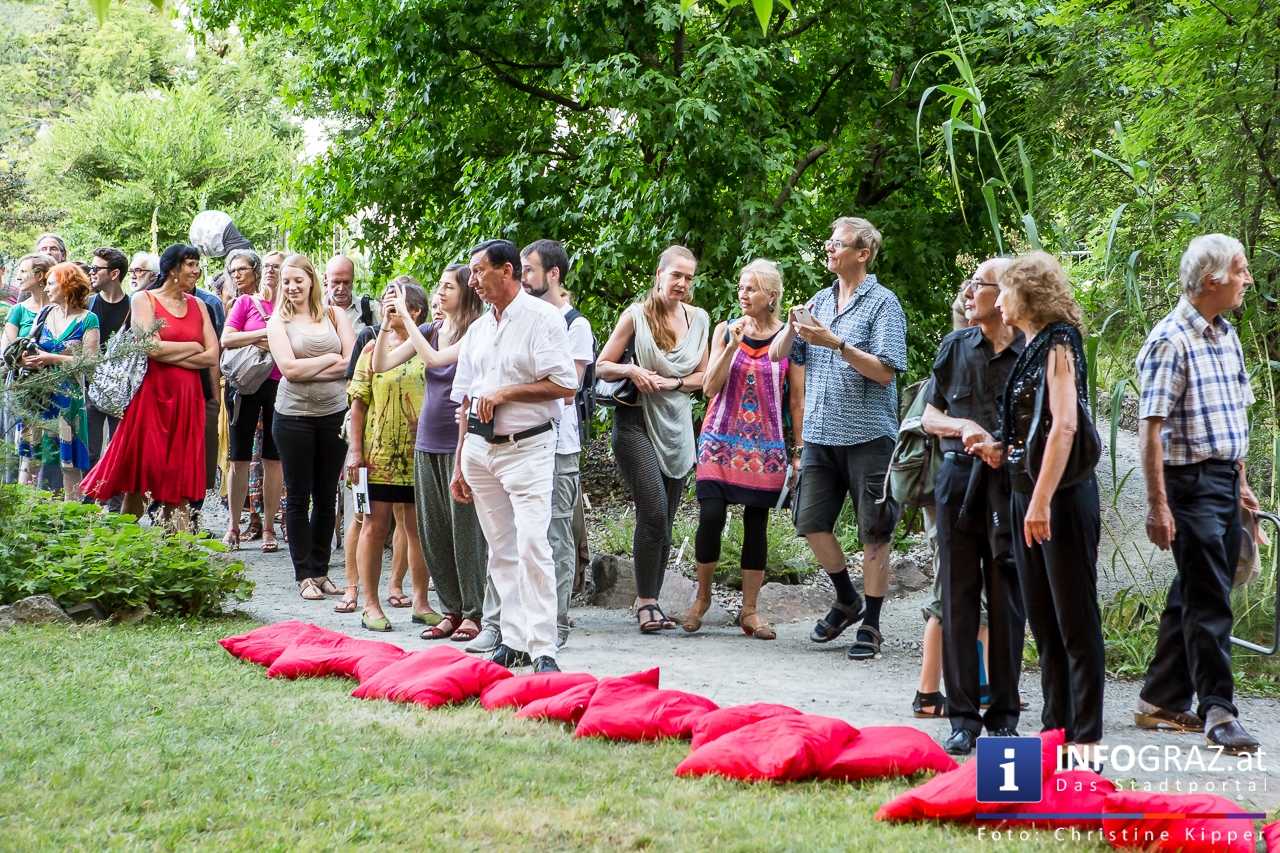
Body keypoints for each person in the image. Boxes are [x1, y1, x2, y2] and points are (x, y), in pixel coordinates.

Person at [1135, 234, 1261, 754]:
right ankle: (1218, 709)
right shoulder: (1171, 340)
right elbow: (1150, 430)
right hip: (1188, 485)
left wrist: (1244, 482)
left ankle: (1160, 699)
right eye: (1241, 270)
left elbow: (1235, 414)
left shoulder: (1225, 334)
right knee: (1209, 597)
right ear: (1213, 280)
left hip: (1223, 480)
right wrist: (1158, 505)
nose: (1247, 279)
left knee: (1196, 588)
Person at [976, 251, 1104, 757]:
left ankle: (1086, 738)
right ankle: (1056, 733)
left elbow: (1066, 425)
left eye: (1003, 289)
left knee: (1074, 620)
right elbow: (1035, 427)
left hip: (1060, 499)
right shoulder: (1031, 347)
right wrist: (999, 449)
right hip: (1027, 493)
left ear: (1026, 293)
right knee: (1044, 622)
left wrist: (1043, 500)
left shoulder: (1059, 341)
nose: (996, 299)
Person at [768, 216, 908, 661]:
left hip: (869, 436)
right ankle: (847, 598)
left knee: (874, 532)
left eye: (838, 243)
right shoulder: (820, 300)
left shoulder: (883, 304)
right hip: (820, 435)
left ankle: (872, 624)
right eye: (829, 242)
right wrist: (793, 326)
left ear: (862, 253)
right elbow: (778, 354)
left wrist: (836, 344)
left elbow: (886, 371)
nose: (829, 249)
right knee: (808, 522)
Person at [450, 239, 577, 671]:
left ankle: (544, 648)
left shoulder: (543, 319)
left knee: (532, 545)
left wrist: (505, 393)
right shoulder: (478, 330)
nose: (473, 280)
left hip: (529, 447)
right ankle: (514, 637)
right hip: (480, 450)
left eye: (479, 270)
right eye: (470, 272)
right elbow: (463, 400)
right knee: (500, 548)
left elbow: (565, 384)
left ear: (508, 271)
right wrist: (459, 461)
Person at [921, 257, 1026, 755]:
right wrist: (962, 427)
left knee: (1007, 598)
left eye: (978, 286)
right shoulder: (955, 346)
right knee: (958, 600)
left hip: (1011, 486)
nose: (968, 293)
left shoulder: (1033, 350)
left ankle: (1005, 713)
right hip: (957, 482)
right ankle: (963, 717)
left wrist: (1005, 447)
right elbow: (928, 414)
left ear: (1004, 295)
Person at [683, 259, 802, 640]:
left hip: (765, 445)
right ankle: (701, 599)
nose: (743, 293)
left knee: (756, 523)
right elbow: (708, 388)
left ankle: (750, 611)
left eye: (751, 287)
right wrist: (732, 345)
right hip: (719, 441)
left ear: (771, 296)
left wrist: (798, 450)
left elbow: (796, 400)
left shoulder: (788, 337)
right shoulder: (725, 330)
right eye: (741, 286)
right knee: (712, 515)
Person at [596, 245, 710, 633]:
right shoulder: (636, 315)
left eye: (689, 277)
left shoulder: (700, 320)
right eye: (676, 275)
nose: (682, 283)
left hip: (676, 428)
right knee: (655, 511)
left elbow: (704, 379)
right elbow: (602, 366)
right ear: (659, 275)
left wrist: (674, 382)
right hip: (635, 423)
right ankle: (645, 603)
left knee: (667, 519)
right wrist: (632, 370)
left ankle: (653, 599)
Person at [374, 264, 488, 644]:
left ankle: (475, 612)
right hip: (426, 439)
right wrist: (388, 325)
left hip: (463, 441)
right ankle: (452, 610)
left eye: (446, 287)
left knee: (466, 531)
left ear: (465, 293)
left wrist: (406, 316)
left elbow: (436, 361)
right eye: (438, 286)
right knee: (433, 530)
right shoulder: (430, 331)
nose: (438, 293)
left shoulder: (477, 332)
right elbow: (382, 364)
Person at [81, 244, 220, 529]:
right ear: (172, 269)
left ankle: (176, 551)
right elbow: (149, 347)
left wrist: (182, 351)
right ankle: (128, 544)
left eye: (197, 265)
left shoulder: (200, 305)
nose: (196, 271)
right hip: (151, 398)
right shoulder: (144, 300)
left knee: (178, 479)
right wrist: (193, 346)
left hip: (188, 399)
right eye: (190, 264)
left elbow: (212, 355)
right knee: (139, 477)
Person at [514, 239, 593, 649]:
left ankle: (557, 622)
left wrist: (511, 388)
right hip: (523, 440)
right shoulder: (523, 318)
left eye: (529, 270)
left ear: (553, 274)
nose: (523, 277)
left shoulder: (575, 325)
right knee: (522, 532)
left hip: (560, 445)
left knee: (557, 534)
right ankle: (520, 619)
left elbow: (567, 389)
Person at [346, 279, 437, 631]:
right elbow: (357, 402)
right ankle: (371, 605)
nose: (388, 307)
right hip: (379, 453)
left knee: (417, 529)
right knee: (374, 524)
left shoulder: (427, 346)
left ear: (415, 311)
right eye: (386, 301)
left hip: (418, 453)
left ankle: (421, 601)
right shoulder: (371, 349)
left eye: (396, 303)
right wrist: (356, 450)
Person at [268, 253, 355, 601]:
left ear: (311, 281)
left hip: (333, 413)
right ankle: (303, 574)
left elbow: (352, 363)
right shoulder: (278, 322)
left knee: (325, 496)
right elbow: (289, 370)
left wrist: (318, 365)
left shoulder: (335, 314)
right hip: (293, 417)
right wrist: (330, 360)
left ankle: (321, 571)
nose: (291, 287)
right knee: (298, 495)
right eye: (286, 282)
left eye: (297, 281)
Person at [15, 263, 100, 500]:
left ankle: (70, 515)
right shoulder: (44, 313)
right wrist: (25, 359)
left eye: (51, 282)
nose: (47, 287)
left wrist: (51, 358)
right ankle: (25, 510)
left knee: (69, 462)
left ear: (67, 285)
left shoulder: (88, 319)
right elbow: (29, 346)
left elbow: (90, 362)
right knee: (30, 456)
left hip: (68, 398)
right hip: (38, 395)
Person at [219, 249, 283, 554]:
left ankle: (270, 527)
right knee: (238, 457)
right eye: (232, 271)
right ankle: (233, 526)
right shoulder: (244, 303)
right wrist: (263, 333)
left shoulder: (288, 306)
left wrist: (261, 336)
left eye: (241, 269)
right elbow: (227, 339)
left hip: (278, 383)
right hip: (244, 386)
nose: (236, 275)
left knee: (274, 458)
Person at [4, 253, 56, 487]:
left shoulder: (60, 310)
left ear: (40, 276)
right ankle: (24, 497)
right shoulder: (19, 310)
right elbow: (8, 351)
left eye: (23, 272)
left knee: (54, 448)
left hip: (55, 384)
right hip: (25, 386)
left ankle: (49, 499)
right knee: (27, 446)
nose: (18, 276)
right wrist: (21, 360)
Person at [86, 248, 131, 468]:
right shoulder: (87, 305)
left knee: (117, 450)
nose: (91, 272)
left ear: (114, 274)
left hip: (121, 390)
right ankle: (86, 501)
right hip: (89, 386)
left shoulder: (133, 307)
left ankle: (115, 503)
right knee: (90, 450)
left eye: (96, 268)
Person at [325, 255, 379, 336]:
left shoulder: (370, 308)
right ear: (326, 278)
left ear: (352, 280)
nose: (341, 288)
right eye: (336, 282)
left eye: (346, 282)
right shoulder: (314, 310)